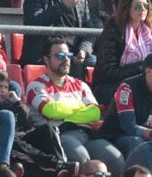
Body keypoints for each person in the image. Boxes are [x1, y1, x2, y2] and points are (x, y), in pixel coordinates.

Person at [28, 37, 122, 168]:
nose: (66, 59)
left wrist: (63, 114)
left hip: (87, 133)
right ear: (46, 59)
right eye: (60, 55)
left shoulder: (80, 84)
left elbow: (94, 113)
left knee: (116, 161)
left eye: (68, 55)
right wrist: (79, 106)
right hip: (60, 135)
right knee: (82, 160)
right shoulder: (36, 86)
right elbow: (50, 111)